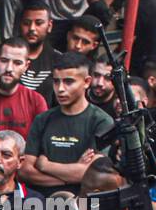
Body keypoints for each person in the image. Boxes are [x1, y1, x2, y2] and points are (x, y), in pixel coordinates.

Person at [24, 52, 113, 193]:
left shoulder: (102, 121)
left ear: (87, 82)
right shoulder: (42, 119)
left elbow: (92, 174)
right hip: (41, 206)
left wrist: (45, 165)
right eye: (56, 81)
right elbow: (26, 172)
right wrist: (67, 178)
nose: (60, 89)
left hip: (84, 207)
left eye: (68, 82)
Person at [0, 38, 47, 139]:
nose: (9, 68)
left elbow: (42, 144)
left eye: (17, 63)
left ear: (26, 66)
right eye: (4, 61)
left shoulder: (36, 101)